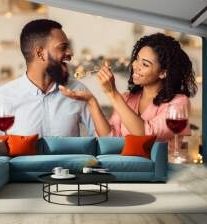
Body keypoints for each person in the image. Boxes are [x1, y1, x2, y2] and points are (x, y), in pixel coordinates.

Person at [59, 33, 197, 156]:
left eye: (145, 64)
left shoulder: (179, 102)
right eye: (137, 59)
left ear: (163, 72)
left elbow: (146, 136)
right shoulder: (128, 98)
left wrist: (112, 94)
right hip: (131, 170)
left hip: (163, 173)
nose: (135, 66)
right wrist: (91, 101)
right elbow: (110, 139)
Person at [0, 19, 94, 137]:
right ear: (40, 53)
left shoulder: (78, 91)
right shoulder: (2, 98)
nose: (70, 53)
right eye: (62, 47)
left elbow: (103, 140)